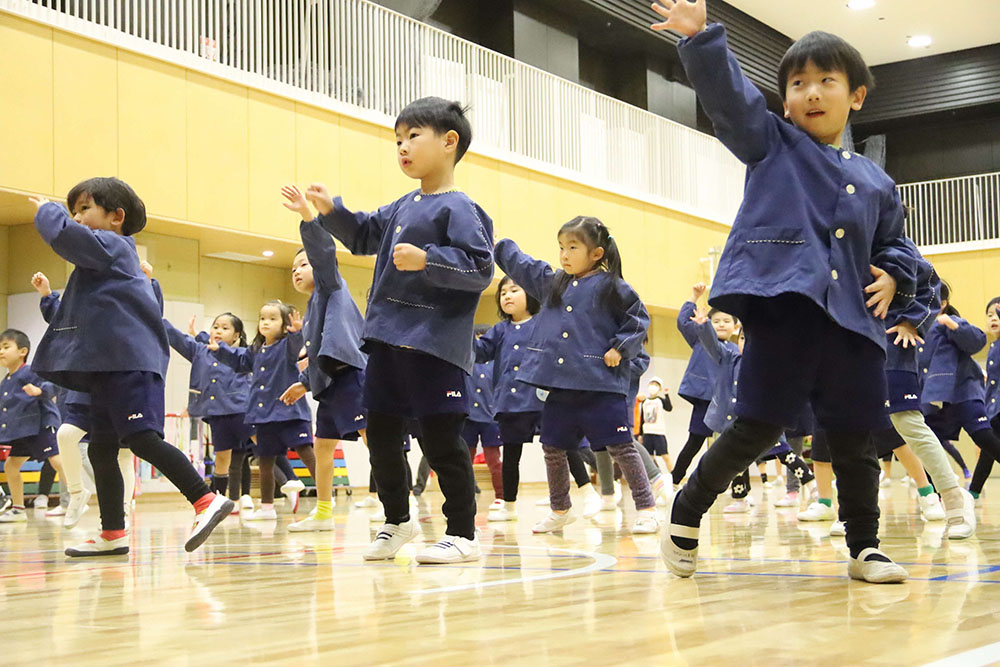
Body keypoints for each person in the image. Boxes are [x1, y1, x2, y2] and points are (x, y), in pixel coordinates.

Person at [650, 0, 919, 583]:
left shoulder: (878, 180)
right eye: (798, 83)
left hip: (854, 325)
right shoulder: (771, 142)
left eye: (827, 81)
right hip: (784, 311)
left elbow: (896, 244)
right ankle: (687, 509)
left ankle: (865, 546)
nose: (812, 93)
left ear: (857, 97)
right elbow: (731, 103)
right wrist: (703, 41)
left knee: (854, 437)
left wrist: (895, 276)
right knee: (757, 424)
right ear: (786, 98)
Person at [307, 96, 494, 563]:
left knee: (441, 439)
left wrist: (428, 260)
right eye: (398, 140)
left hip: (435, 345)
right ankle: (396, 521)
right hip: (387, 341)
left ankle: (463, 533)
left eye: (413, 136)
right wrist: (332, 212)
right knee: (383, 435)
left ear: (449, 142)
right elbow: (365, 233)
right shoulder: (401, 206)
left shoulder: (461, 208)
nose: (403, 147)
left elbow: (479, 269)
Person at [29, 178, 232, 556]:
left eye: (84, 209)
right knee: (101, 451)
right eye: (72, 211)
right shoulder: (100, 264)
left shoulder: (114, 246)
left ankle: (205, 500)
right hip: (109, 369)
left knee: (140, 438)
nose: (76, 218)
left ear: (116, 217)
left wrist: (48, 211)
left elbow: (63, 236)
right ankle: (113, 533)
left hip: (129, 364)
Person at [495, 216, 658, 535]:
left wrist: (621, 347)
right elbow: (524, 265)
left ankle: (647, 508)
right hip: (560, 388)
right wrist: (499, 244)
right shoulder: (554, 282)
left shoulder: (613, 286)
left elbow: (638, 319)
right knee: (553, 448)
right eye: (561, 248)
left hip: (601, 386)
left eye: (572, 247)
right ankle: (560, 508)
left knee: (621, 447)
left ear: (596, 253)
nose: (564, 255)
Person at [279, 185, 369, 532]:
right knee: (323, 446)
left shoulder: (332, 287)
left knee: (371, 438)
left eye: (303, 263)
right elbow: (319, 356)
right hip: (330, 385)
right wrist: (303, 385)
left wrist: (306, 214)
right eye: (292, 269)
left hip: (351, 377)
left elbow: (323, 253)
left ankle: (398, 505)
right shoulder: (313, 306)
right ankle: (323, 513)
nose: (298, 270)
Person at [209, 301, 317, 521]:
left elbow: (298, 349)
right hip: (264, 416)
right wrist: (220, 351)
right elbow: (240, 362)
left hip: (291, 413)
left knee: (307, 454)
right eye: (262, 318)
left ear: (285, 324)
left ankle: (326, 499)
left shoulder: (288, 346)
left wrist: (297, 333)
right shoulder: (256, 349)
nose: (265, 322)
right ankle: (267, 508)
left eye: (272, 318)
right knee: (265, 461)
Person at [0, 329, 66, 524]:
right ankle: (18, 508)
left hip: (41, 425)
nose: (1, 352)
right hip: (22, 431)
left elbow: (55, 385)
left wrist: (39, 390)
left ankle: (76, 496)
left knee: (57, 461)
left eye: (6, 347)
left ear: (22, 351)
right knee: (12, 466)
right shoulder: (6, 383)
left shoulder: (30, 371)